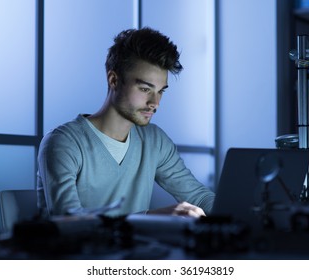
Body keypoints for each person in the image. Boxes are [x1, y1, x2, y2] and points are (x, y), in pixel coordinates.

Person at [37, 27, 215, 218]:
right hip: (75, 248)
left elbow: (199, 197)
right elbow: (70, 221)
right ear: (114, 80)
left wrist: (242, 214)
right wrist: (148, 217)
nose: (155, 103)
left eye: (161, 91)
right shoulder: (64, 143)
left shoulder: (155, 141)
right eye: (145, 89)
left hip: (138, 248)